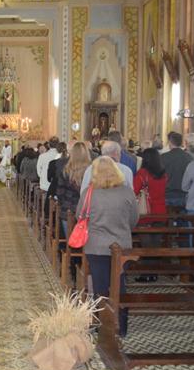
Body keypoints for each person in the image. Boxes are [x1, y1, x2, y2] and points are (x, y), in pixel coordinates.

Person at [77, 156, 138, 335]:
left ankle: (101, 325)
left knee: (100, 285)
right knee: (119, 284)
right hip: (122, 246)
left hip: (96, 246)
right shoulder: (127, 192)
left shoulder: (89, 193)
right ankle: (121, 326)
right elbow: (134, 219)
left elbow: (81, 216)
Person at [133, 148, 167, 282]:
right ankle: (154, 273)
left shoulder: (142, 173)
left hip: (146, 212)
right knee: (156, 244)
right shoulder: (163, 174)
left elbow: (134, 190)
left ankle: (146, 273)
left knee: (146, 244)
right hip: (160, 212)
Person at [55, 141, 91, 237]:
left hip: (68, 210)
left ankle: (69, 250)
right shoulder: (92, 170)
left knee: (71, 239)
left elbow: (60, 192)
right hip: (87, 210)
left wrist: (65, 203)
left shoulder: (66, 170)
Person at [160, 131, 193, 208]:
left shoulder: (163, 157)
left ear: (170, 142)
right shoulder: (189, 157)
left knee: (167, 218)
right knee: (181, 218)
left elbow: (159, 175)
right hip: (183, 195)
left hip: (167, 194)